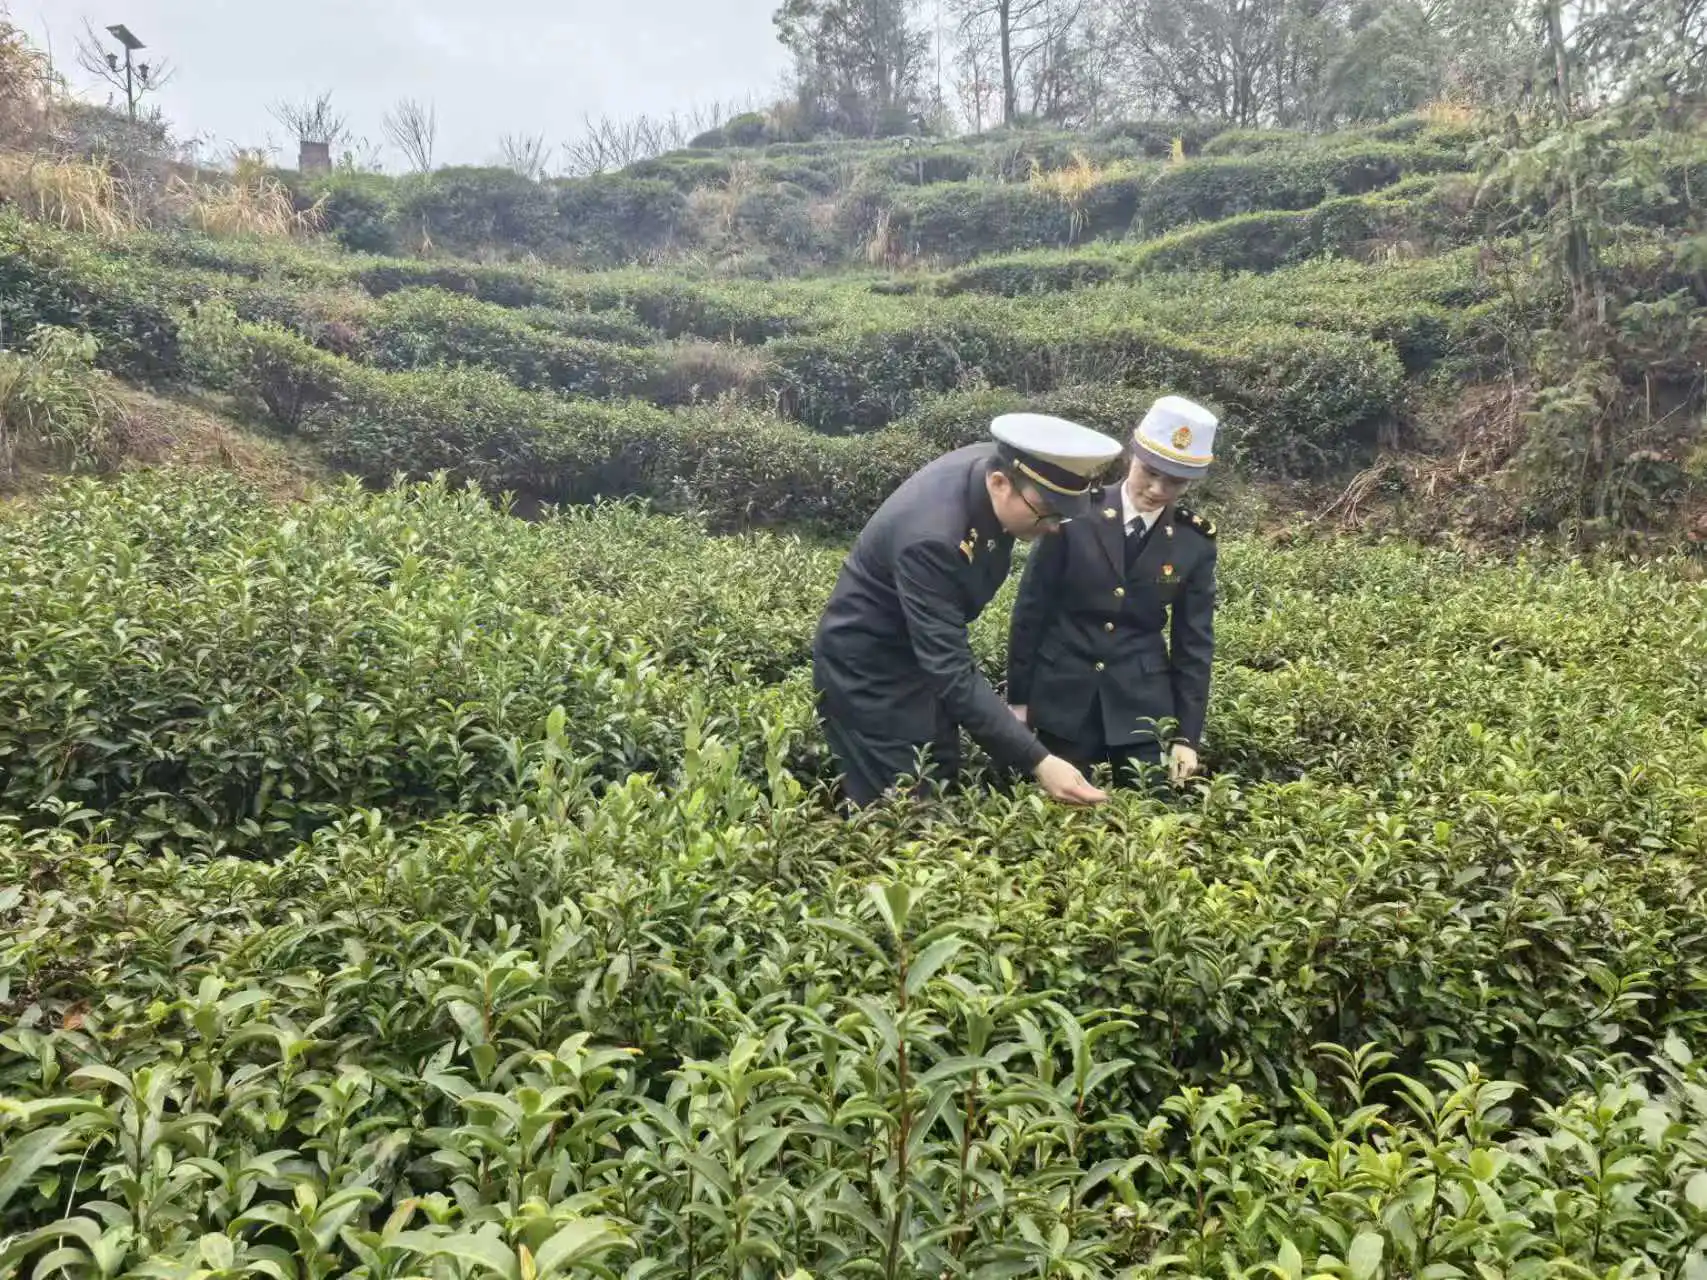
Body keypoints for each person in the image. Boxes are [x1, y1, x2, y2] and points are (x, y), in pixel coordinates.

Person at [812, 412, 1126, 810]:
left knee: (940, 776)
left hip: (918, 661)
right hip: (870, 678)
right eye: (1046, 512)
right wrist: (1040, 761)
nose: (1053, 527)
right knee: (905, 810)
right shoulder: (931, 539)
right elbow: (948, 666)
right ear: (999, 484)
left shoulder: (999, 470)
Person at [1006, 395, 1219, 793]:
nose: (1157, 489)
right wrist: (1019, 702)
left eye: (1174, 481)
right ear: (1131, 456)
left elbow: (1194, 644)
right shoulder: (1074, 514)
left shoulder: (1195, 542)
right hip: (1062, 700)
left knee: (1152, 819)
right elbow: (1030, 612)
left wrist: (1187, 737)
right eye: (1150, 472)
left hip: (1142, 710)